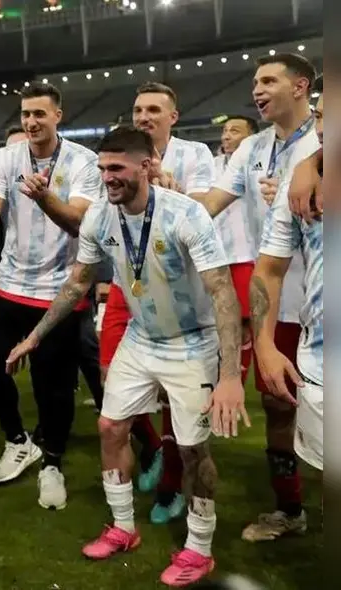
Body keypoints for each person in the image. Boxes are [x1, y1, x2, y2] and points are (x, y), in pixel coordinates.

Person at [8, 126, 245, 587]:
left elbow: (221, 293)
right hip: (141, 337)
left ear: (146, 164)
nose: (107, 178)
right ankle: (122, 527)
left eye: (116, 168)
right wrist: (35, 336)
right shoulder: (99, 217)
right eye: (101, 169)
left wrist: (230, 375)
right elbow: (78, 282)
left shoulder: (186, 215)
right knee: (109, 426)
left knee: (194, 448)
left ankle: (198, 548)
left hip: (192, 342)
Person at [194, 53, 319, 542]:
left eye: (269, 80)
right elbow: (211, 205)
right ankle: (289, 508)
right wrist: (165, 199)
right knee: (278, 404)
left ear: (300, 86)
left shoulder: (323, 143)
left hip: (323, 298)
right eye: (254, 82)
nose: (258, 90)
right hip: (277, 303)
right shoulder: (250, 149)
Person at [0, 82, 102, 508]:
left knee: (54, 387)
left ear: (58, 115)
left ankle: (53, 464)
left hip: (58, 290)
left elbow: (78, 222)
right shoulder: (7, 157)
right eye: (26, 114)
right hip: (9, 284)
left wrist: (43, 196)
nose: (31, 122)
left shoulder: (84, 162)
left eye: (40, 114)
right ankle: (18, 441)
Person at [101, 82, 220, 522]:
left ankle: (172, 482)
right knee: (110, 379)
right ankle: (150, 447)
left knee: (178, 401)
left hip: (175, 291)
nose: (144, 115)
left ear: (174, 115)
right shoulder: (121, 153)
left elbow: (207, 207)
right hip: (126, 286)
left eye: (154, 109)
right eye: (138, 108)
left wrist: (169, 193)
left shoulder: (195, 155)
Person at [251, 90, 323, 478]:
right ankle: (288, 508)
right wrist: (263, 344)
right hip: (315, 340)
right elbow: (268, 270)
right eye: (324, 117)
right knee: (279, 407)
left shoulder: (306, 167)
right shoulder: (297, 189)